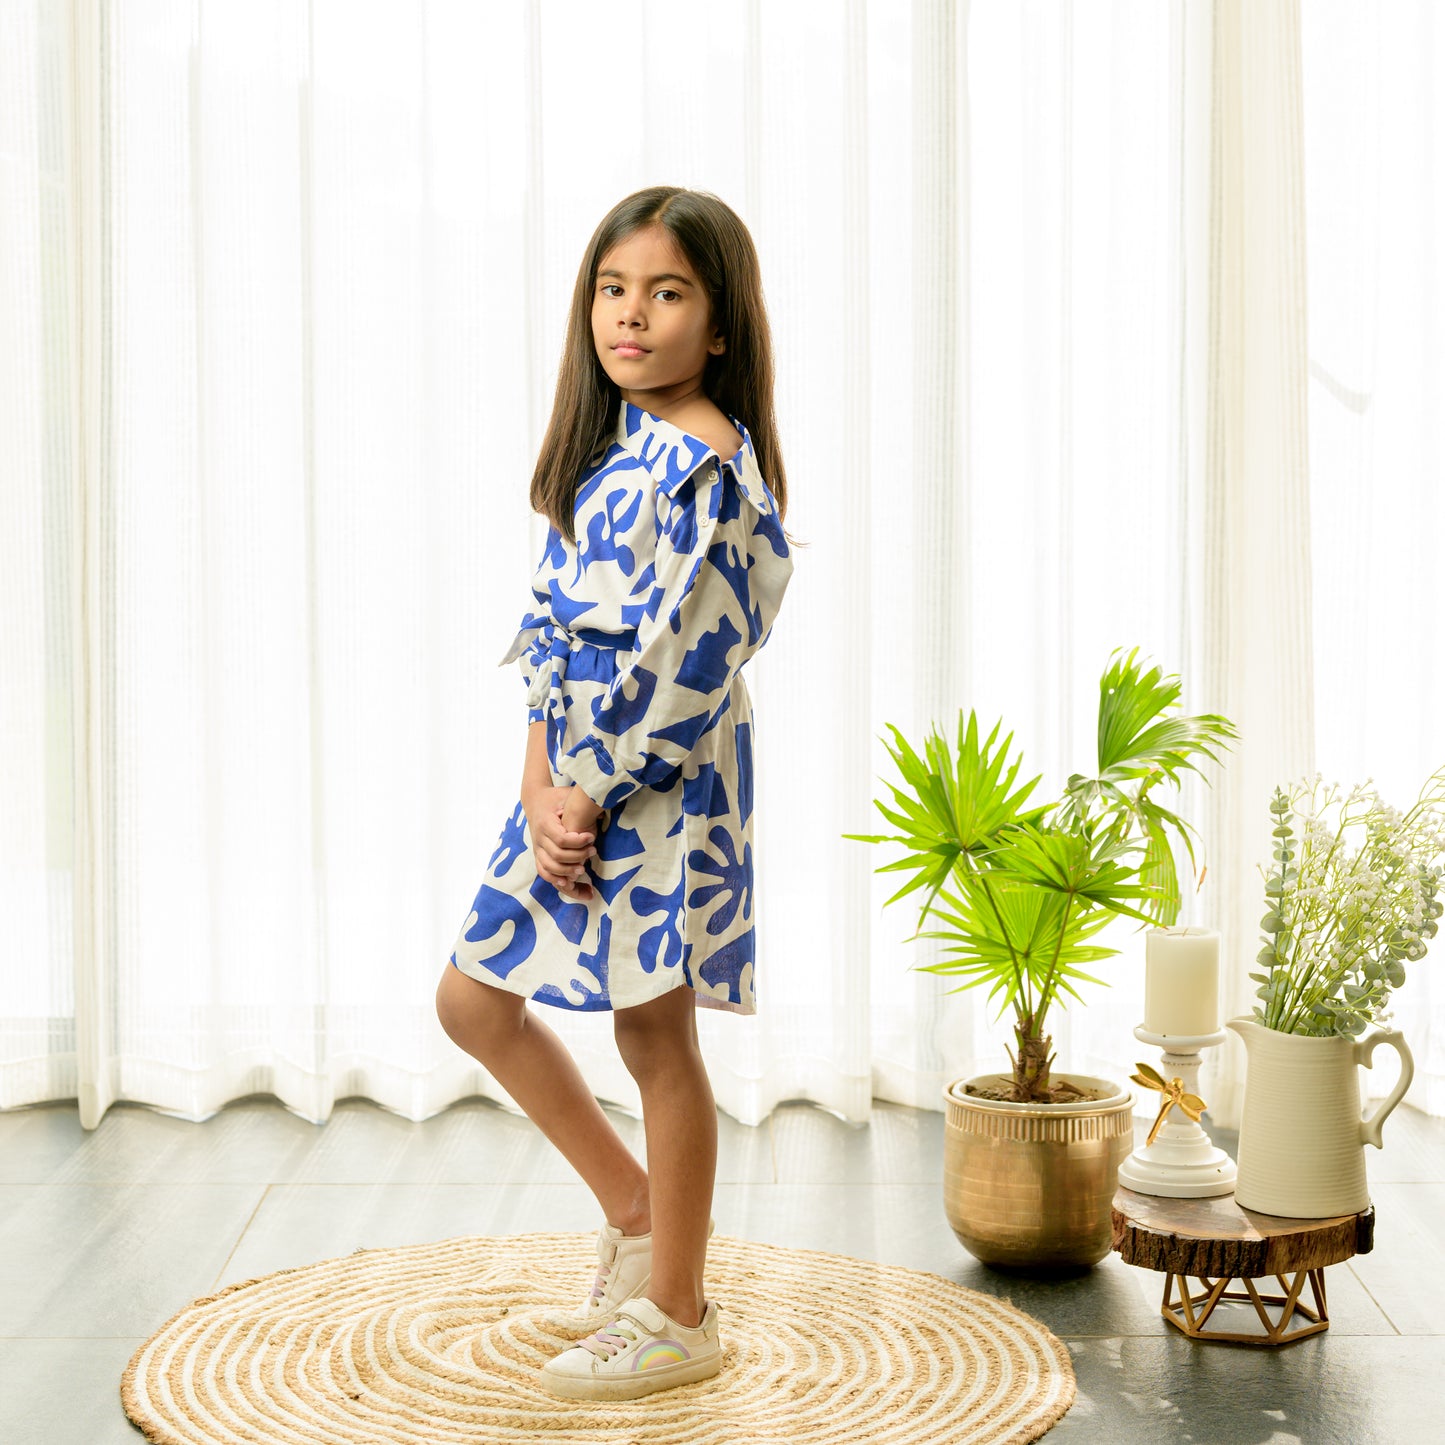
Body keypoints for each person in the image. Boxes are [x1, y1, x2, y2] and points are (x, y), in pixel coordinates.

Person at [434, 184, 795, 1402]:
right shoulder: (603, 456)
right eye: (612, 288)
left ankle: (677, 1308)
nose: (631, 314)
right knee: (472, 1002)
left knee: (654, 1035)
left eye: (668, 291)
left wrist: (592, 786)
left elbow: (684, 661)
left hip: (659, 792)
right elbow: (550, 637)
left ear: (721, 323)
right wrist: (539, 786)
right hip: (566, 786)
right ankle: (636, 1210)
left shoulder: (708, 474)